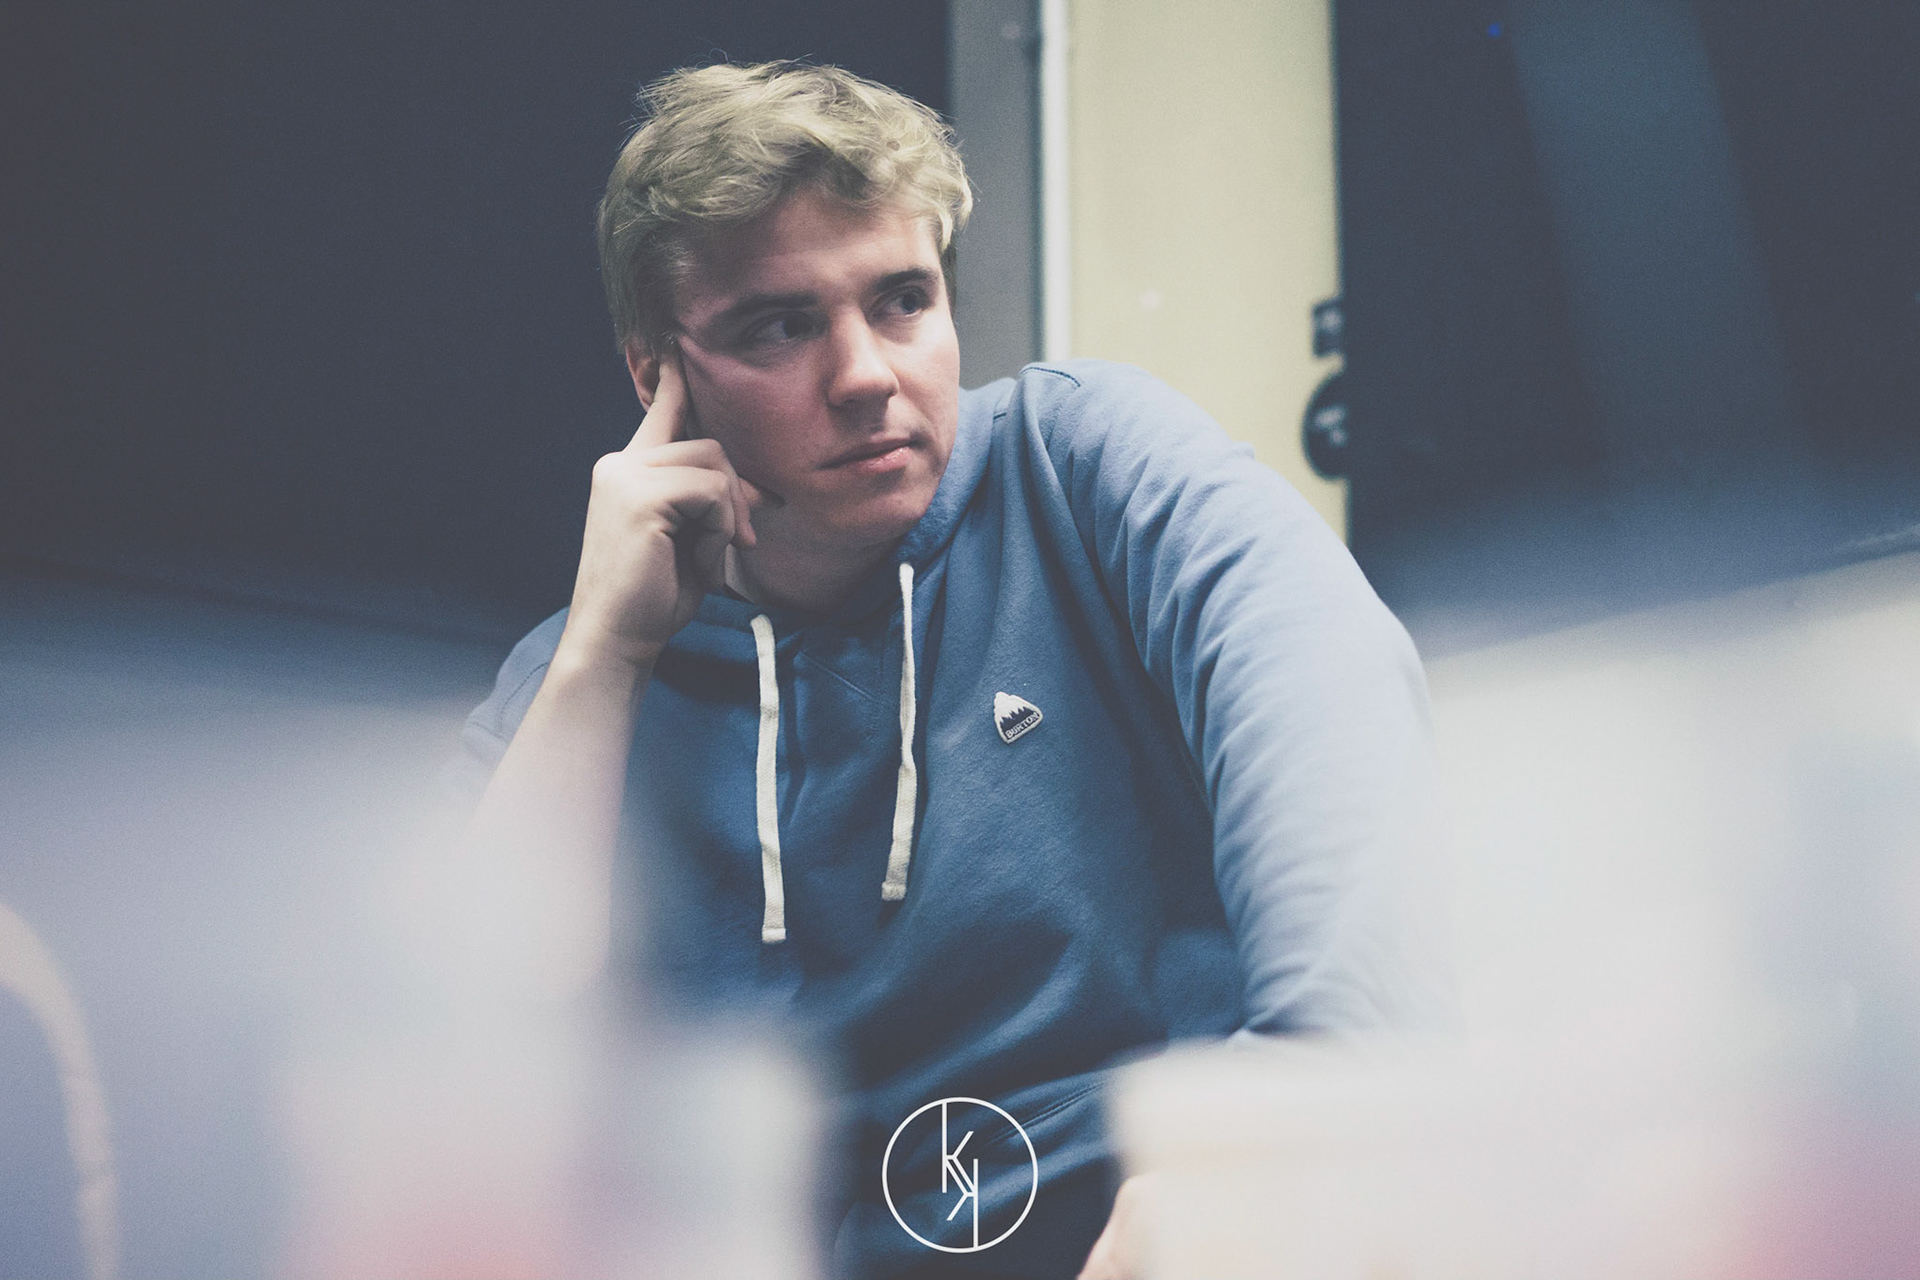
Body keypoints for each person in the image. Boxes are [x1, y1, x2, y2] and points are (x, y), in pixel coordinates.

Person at [460, 60, 1435, 1280]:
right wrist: (606, 654)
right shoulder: (580, 674)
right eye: (781, 324)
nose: (866, 373)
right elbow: (448, 1092)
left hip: (1156, 1224)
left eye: (903, 300)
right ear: (658, 378)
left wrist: (1295, 1113)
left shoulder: (1083, 465)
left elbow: (1339, 698)